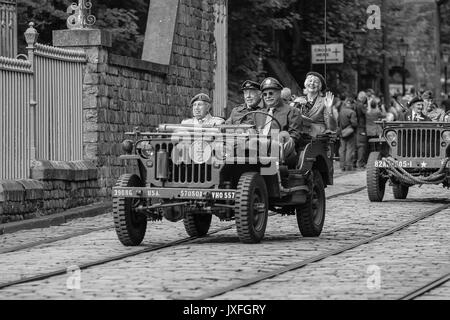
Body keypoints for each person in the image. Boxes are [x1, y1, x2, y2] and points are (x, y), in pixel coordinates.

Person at [260, 77, 302, 162]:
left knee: (287, 140)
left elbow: (294, 135)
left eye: (271, 93)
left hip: (282, 150)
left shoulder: (292, 111)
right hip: (260, 148)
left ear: (279, 93)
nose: (267, 96)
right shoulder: (260, 113)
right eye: (265, 94)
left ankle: (269, 164)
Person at [338, 97, 358, 171]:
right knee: (350, 150)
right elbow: (354, 124)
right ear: (352, 104)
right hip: (350, 133)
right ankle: (348, 166)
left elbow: (338, 122)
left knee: (342, 150)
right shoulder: (352, 112)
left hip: (342, 133)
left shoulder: (341, 111)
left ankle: (342, 166)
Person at [355, 91, 368, 169]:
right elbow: (367, 113)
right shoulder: (360, 105)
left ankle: (355, 162)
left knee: (357, 145)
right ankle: (360, 163)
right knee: (361, 146)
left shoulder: (356, 104)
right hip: (361, 127)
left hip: (357, 127)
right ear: (363, 98)